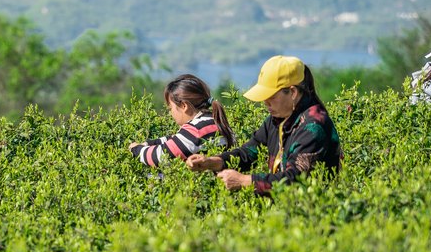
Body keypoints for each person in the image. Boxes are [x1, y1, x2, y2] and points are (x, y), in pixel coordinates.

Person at [186, 55, 341, 195]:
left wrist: (245, 181)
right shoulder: (277, 119)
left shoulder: (314, 126)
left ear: (292, 92)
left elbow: (295, 180)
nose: (265, 102)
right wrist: (212, 162)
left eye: (270, 96)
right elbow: (249, 151)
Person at [129, 74, 235, 167]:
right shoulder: (212, 120)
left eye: (171, 108)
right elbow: (175, 140)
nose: (170, 113)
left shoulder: (196, 130)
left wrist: (136, 149)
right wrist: (148, 143)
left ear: (184, 106)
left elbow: (160, 156)